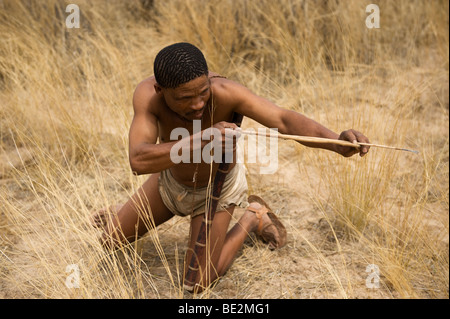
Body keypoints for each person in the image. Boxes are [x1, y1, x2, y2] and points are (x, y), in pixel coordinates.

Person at [92, 42, 370, 292]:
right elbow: (139, 160)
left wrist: (336, 141)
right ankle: (124, 212)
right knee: (110, 241)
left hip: (215, 190)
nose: (198, 104)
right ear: (160, 90)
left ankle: (252, 217)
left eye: (203, 92)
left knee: (197, 282)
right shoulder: (146, 96)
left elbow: (283, 120)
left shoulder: (227, 92)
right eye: (184, 98)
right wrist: (203, 137)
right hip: (169, 183)